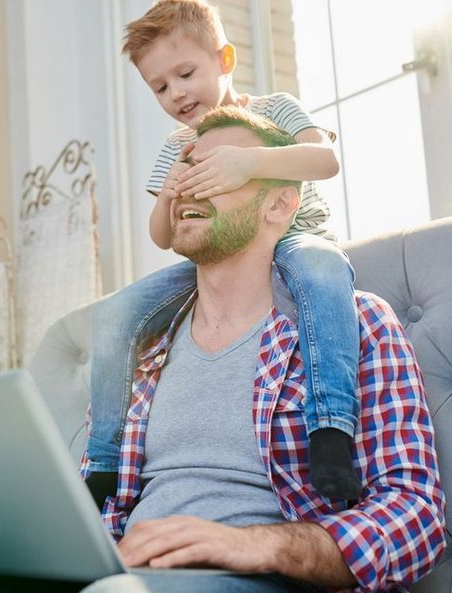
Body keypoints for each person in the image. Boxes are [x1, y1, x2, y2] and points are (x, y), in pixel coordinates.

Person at [0, 107, 445, 593]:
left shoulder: (354, 323)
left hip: (256, 580)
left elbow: (416, 517)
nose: (189, 185)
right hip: (119, 574)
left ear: (281, 203)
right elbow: (103, 505)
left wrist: (256, 546)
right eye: (185, 169)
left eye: (218, 172)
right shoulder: (144, 347)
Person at [87, 0, 362, 506]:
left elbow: (325, 160)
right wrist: (169, 196)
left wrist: (249, 162)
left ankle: (329, 431)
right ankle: (102, 461)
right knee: (116, 313)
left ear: (225, 60)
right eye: (160, 87)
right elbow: (162, 237)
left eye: (186, 73)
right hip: (214, 256)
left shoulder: (273, 109)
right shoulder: (178, 145)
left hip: (295, 239)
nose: (177, 94)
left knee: (323, 272)